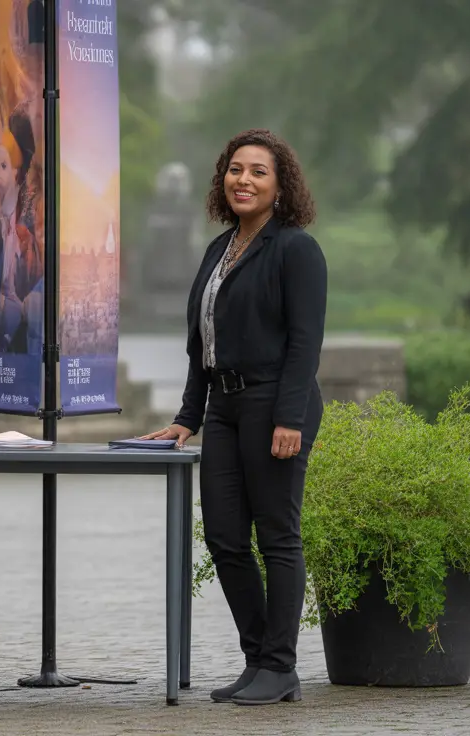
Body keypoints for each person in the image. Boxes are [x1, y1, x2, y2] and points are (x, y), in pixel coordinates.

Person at [142, 128, 327, 706]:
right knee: (224, 538)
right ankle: (260, 661)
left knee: (277, 537)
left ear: (281, 186)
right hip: (222, 408)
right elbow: (202, 343)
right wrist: (187, 416)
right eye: (235, 169)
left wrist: (289, 418)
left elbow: (305, 343)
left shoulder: (296, 249)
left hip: (277, 405)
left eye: (259, 172)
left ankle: (281, 665)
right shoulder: (218, 249)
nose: (244, 180)